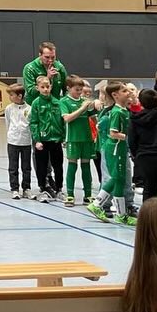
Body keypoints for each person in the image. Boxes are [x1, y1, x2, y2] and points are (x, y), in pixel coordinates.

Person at [89, 82, 138, 226]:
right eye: (124, 91)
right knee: (116, 177)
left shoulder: (124, 110)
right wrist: (131, 137)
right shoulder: (116, 112)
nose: (128, 92)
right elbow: (113, 133)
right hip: (115, 147)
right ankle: (97, 204)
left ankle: (121, 214)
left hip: (120, 147)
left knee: (120, 179)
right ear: (115, 95)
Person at [59, 76, 96, 205]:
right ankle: (70, 195)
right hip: (73, 139)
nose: (80, 92)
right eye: (77, 90)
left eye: (81, 90)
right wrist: (82, 108)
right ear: (68, 88)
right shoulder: (64, 101)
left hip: (87, 138)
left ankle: (88, 195)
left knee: (86, 166)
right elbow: (67, 118)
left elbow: (94, 117)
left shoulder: (85, 101)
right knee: (72, 165)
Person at [29, 76, 65, 202]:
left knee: (58, 166)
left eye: (48, 86)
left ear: (51, 86)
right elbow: (34, 122)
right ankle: (43, 188)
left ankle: (59, 189)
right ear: (37, 88)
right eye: (42, 87)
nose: (45, 89)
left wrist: (63, 137)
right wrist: (37, 140)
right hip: (42, 141)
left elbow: (62, 122)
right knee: (42, 166)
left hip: (56, 140)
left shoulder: (57, 102)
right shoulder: (36, 103)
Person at [4, 84, 32, 199]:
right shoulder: (9, 108)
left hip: (26, 142)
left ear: (20, 96)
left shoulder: (29, 109)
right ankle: (14, 189)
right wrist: (11, 135)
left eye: (12, 95)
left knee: (26, 167)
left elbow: (30, 124)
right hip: (13, 142)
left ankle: (26, 188)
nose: (10, 97)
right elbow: (8, 123)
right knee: (13, 167)